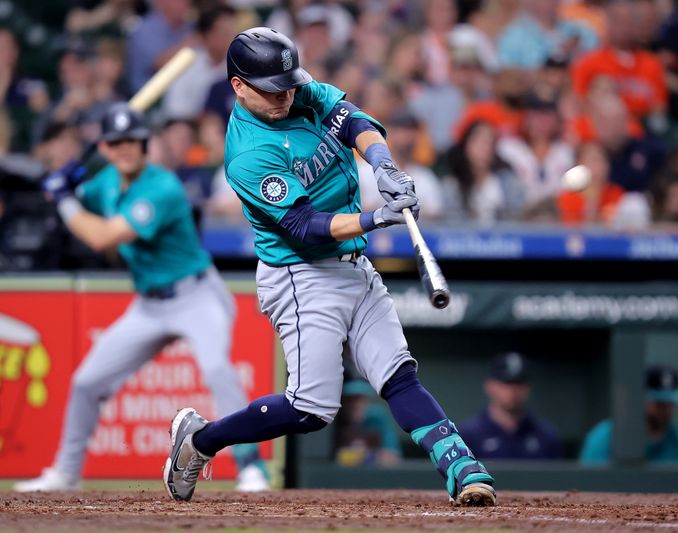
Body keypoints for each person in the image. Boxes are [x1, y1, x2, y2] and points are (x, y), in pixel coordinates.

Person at [162, 27, 496, 507]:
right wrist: (376, 216)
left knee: (398, 373)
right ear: (238, 86)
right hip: (301, 276)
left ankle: (462, 468)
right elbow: (305, 226)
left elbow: (353, 119)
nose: (285, 97)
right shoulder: (248, 155)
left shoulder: (296, 91)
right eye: (271, 90)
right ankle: (200, 440)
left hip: (353, 265)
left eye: (289, 85)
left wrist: (381, 164)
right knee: (311, 409)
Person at [13, 103, 269, 493]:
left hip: (195, 294)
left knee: (217, 369)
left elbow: (102, 237)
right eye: (117, 142)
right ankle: (65, 472)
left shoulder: (161, 186)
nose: (125, 148)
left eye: (132, 140)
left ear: (145, 144)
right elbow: (82, 199)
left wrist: (64, 200)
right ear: (106, 148)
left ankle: (251, 468)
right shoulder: (107, 183)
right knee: (85, 381)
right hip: (149, 305)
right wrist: (65, 184)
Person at [579, 365, 678, 465]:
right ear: (639, 399)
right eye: (659, 403)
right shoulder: (604, 437)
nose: (666, 409)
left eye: (670, 403)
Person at [459, 352, 562, 460]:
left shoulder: (546, 436)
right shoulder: (468, 434)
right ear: (490, 386)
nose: (513, 390)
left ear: (528, 388)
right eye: (506, 382)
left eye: (519, 383)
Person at [334, 379, 402, 467]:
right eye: (350, 400)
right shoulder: (334, 419)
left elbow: (392, 456)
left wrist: (362, 456)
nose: (355, 404)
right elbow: (334, 457)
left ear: (367, 400)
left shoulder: (378, 417)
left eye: (360, 400)